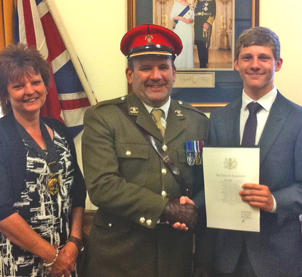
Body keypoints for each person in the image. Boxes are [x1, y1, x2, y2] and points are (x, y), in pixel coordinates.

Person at [195, 26, 302, 277]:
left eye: (264, 58)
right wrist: (190, 206)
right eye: (247, 57)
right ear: (236, 63)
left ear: (277, 64)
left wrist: (274, 201)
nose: (255, 65)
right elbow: (211, 182)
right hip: (225, 258)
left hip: (278, 259)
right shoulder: (219, 118)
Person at [81, 24, 209, 277]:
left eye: (163, 67)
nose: (156, 75)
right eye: (145, 68)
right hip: (119, 256)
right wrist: (165, 208)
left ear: (174, 72)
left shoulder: (197, 122)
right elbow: (102, 186)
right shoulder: (104, 118)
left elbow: (206, 183)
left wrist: (194, 207)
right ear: (130, 74)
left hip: (176, 255)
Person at [0, 43, 86, 277]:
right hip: (16, 262)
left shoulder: (60, 130)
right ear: (5, 93)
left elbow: (78, 191)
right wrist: (52, 256)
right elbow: (0, 211)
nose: (30, 91)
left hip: (65, 260)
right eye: (18, 86)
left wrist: (74, 243)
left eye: (36, 82)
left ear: (46, 86)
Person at [170, 0, 195, 68]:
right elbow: (172, 16)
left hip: (188, 28)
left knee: (188, 45)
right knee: (180, 45)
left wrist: (190, 20)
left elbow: (193, 18)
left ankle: (188, 66)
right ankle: (178, 66)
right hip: (179, 28)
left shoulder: (190, 6)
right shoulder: (176, 4)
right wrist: (181, 18)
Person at [194, 0, 216, 68]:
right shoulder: (196, 2)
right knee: (199, 44)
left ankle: (204, 63)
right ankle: (201, 63)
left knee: (205, 44)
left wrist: (208, 22)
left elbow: (213, 13)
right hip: (197, 24)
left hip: (206, 24)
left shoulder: (211, 1)